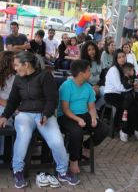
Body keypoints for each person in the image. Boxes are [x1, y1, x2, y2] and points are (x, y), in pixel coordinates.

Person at [0, 51, 79, 188]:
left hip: (44, 115)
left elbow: (51, 99)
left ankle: (62, 171)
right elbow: (13, 101)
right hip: (25, 114)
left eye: (18, 65)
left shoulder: (44, 76)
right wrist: (5, 116)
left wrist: (46, 115)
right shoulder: (19, 78)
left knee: (56, 141)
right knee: (23, 137)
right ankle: (17, 170)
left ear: (26, 64)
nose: (15, 68)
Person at [57, 60, 109, 174]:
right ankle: (73, 160)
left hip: (83, 114)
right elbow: (65, 109)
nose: (90, 73)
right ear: (81, 73)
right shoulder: (66, 86)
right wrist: (77, 119)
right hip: (67, 116)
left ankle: (86, 146)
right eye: (88, 71)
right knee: (77, 132)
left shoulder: (88, 87)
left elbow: (91, 108)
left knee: (104, 129)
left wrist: (94, 117)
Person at [104, 49, 138, 142]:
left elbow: (134, 80)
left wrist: (136, 84)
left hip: (125, 92)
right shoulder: (114, 70)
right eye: (119, 57)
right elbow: (119, 87)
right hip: (112, 94)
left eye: (123, 56)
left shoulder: (127, 68)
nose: (122, 59)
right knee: (134, 105)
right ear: (115, 59)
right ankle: (125, 130)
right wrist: (133, 85)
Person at [0, 51, 16, 158]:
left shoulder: (16, 76)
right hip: (4, 105)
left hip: (13, 106)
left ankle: (9, 154)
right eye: (14, 61)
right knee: (4, 116)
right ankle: (3, 154)